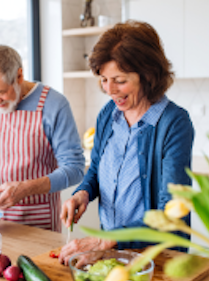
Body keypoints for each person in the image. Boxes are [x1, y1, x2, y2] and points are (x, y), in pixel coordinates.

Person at [59, 21, 194, 263]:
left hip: (158, 259)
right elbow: (98, 170)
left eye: (119, 80)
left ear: (148, 75)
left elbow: (171, 213)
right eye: (103, 79)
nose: (110, 90)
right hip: (112, 255)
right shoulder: (108, 114)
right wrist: (82, 193)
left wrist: (106, 241)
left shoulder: (174, 123)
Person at [0, 45, 85, 232]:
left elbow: (75, 168)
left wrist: (27, 188)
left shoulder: (54, 104)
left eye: (1, 92)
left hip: (38, 224)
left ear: (19, 76)